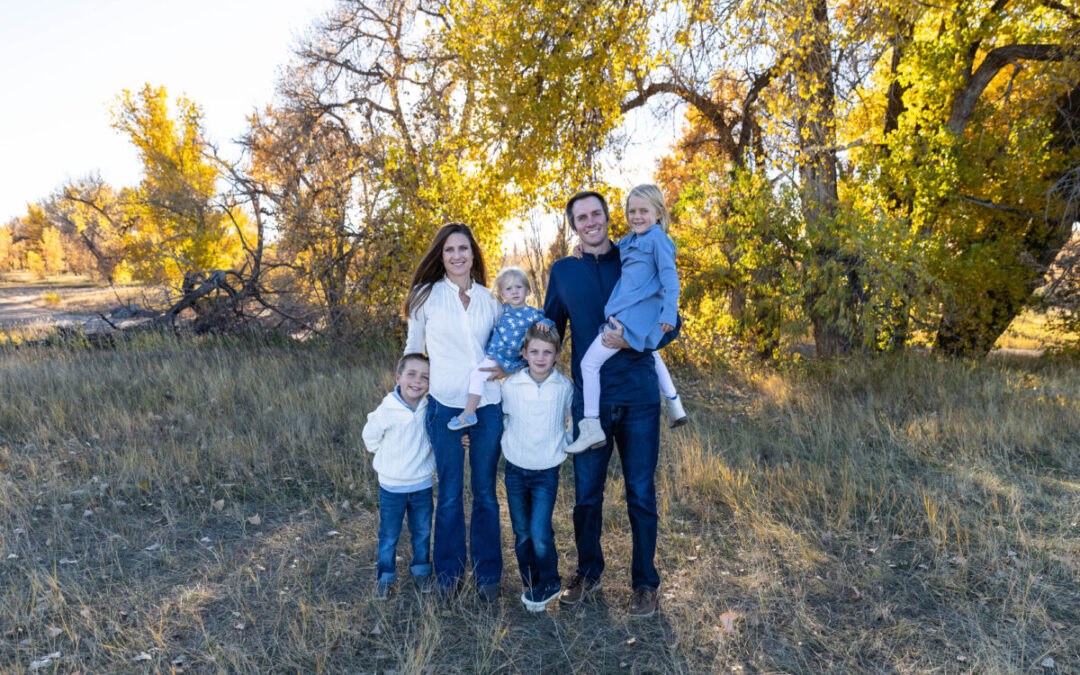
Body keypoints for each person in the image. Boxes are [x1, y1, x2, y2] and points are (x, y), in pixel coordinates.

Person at [542, 190, 679, 618]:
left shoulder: (636, 251)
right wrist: (507, 359)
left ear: (607, 218)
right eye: (581, 217)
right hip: (591, 402)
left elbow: (671, 323)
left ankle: (644, 584)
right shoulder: (562, 271)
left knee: (641, 494)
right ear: (574, 225)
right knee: (586, 496)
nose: (590, 222)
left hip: (638, 394)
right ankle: (588, 572)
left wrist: (640, 339)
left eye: (596, 214)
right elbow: (551, 332)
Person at [403, 222, 504, 600]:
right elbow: (413, 352)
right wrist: (408, 400)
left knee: (485, 493)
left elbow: (506, 348)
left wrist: (506, 369)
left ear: (473, 254)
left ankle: (488, 576)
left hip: (489, 406)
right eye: (449, 250)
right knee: (448, 493)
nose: (457, 256)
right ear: (440, 256)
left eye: (464, 249)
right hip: (443, 405)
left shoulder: (491, 299)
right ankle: (448, 575)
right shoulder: (424, 296)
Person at [565, 184, 686, 454]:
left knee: (589, 364)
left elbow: (670, 279)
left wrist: (668, 312)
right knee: (653, 355)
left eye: (644, 211)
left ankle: (591, 424)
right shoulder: (633, 240)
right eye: (632, 211)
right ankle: (675, 404)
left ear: (659, 212)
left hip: (631, 318)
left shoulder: (659, 240)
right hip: (638, 315)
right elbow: (612, 248)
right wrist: (580, 248)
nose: (637, 216)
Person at [500, 323, 574, 612]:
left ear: (556, 355)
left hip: (546, 470)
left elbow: (574, 421)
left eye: (547, 352)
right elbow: (503, 418)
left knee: (540, 530)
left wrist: (563, 446)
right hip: (516, 468)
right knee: (521, 531)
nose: (540, 357)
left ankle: (551, 580)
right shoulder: (512, 385)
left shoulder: (564, 387)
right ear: (524, 353)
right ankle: (531, 583)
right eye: (534, 351)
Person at [361, 353, 435, 599]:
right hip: (392, 485)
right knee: (389, 534)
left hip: (422, 483)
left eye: (424, 377)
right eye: (411, 374)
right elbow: (370, 436)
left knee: (422, 530)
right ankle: (385, 576)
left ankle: (421, 570)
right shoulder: (388, 408)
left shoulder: (429, 407)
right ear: (398, 377)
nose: (418, 381)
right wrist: (385, 457)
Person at [448, 266, 554, 431]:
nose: (514, 292)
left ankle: (471, 414)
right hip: (494, 355)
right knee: (479, 376)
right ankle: (474, 413)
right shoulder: (502, 309)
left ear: (527, 291)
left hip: (513, 360)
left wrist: (544, 323)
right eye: (509, 289)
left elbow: (549, 322)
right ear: (503, 295)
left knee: (508, 386)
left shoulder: (532, 314)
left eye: (519, 287)